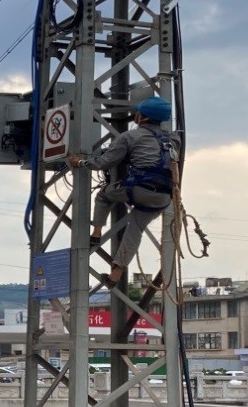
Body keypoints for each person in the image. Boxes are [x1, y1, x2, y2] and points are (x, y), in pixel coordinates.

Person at [67, 96, 182, 286]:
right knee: (135, 228)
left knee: (104, 195)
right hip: (163, 196)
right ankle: (116, 274)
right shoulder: (173, 139)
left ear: (143, 117)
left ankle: (96, 233)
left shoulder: (129, 136)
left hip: (139, 188)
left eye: (139, 112)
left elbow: (103, 162)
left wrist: (79, 162)